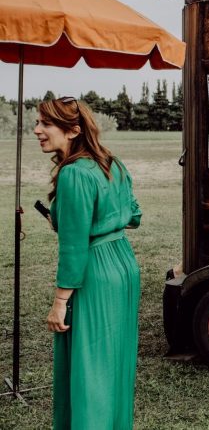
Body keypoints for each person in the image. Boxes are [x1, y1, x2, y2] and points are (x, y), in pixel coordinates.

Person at [36, 97, 141, 429]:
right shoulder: (112, 162)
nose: (37, 130)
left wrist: (59, 302)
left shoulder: (73, 174)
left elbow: (74, 248)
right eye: (37, 123)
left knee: (90, 366)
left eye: (45, 124)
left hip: (95, 270)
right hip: (123, 264)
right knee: (113, 363)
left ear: (73, 131)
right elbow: (134, 215)